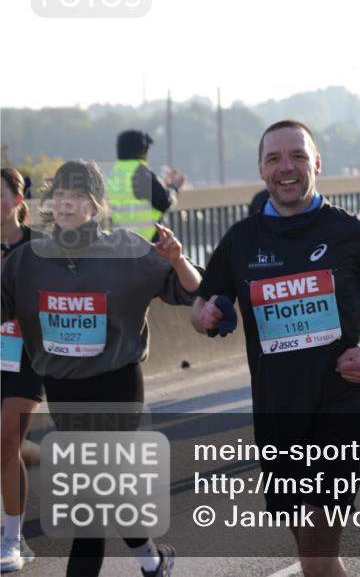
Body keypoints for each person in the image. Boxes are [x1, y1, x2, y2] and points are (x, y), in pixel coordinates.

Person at [191, 119, 360, 577]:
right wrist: (206, 314)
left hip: (343, 400)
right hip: (277, 408)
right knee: (311, 548)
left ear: (316, 164)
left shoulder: (347, 229)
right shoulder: (240, 240)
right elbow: (202, 306)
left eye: (297, 156)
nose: (286, 167)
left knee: (314, 555)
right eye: (274, 158)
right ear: (261, 169)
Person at [2, 160, 201, 577]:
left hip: (117, 384)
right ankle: (152, 560)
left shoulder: (126, 251)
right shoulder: (25, 262)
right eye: (59, 195)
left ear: (95, 205)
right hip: (62, 387)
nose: (66, 203)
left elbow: (191, 292)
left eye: (76, 195)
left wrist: (178, 259)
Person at [0, 168, 46, 573]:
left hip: (26, 356)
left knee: (6, 438)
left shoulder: (40, 247)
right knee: (5, 447)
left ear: (18, 200)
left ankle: (11, 538)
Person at [107, 129, 186, 241]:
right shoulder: (140, 171)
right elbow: (164, 202)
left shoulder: (115, 173)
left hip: (124, 241)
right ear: (142, 150)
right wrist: (174, 187)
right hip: (148, 240)